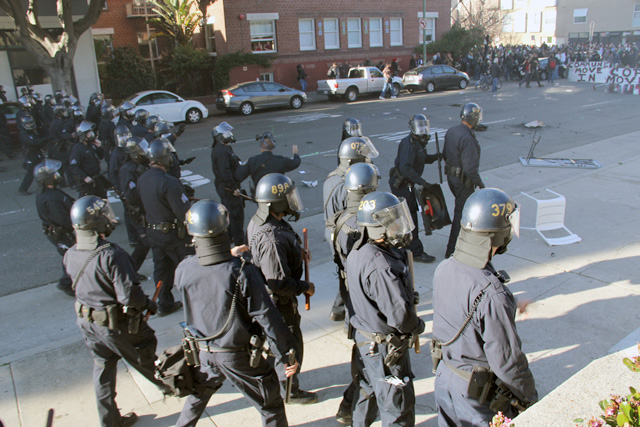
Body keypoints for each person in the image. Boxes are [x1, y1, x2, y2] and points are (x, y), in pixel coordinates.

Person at [174, 200, 299, 427]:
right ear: (224, 229)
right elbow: (267, 317)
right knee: (270, 405)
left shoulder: (184, 268)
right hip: (237, 356)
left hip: (202, 351)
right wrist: (286, 352)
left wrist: (227, 256)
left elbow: (208, 274)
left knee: (198, 396)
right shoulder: (243, 271)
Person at [432, 188, 537, 426]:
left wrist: (506, 302)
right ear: (498, 234)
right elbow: (507, 361)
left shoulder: (445, 268)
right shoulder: (492, 294)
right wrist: (530, 398)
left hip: (446, 378)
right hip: (476, 397)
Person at [64, 195, 170, 427]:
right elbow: (129, 296)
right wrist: (149, 305)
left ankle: (109, 419)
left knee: (103, 369)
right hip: (116, 325)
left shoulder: (71, 253)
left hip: (88, 323)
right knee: (145, 358)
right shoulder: (112, 254)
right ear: (96, 223)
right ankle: (173, 385)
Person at [346, 191, 425, 427]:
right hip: (384, 348)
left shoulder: (359, 252)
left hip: (365, 338)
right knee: (397, 408)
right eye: (394, 221)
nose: (399, 226)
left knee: (367, 393)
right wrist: (417, 324)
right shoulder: (382, 266)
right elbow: (401, 317)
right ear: (379, 228)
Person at [247, 173, 317, 405]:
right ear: (275, 202)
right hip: (279, 304)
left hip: (271, 299)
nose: (291, 200)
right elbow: (278, 282)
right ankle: (290, 390)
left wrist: (296, 252)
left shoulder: (261, 220)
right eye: (287, 197)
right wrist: (305, 286)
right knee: (289, 347)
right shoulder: (272, 239)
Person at [326, 163, 379, 426]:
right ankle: (350, 405)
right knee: (365, 357)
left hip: (350, 295)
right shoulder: (366, 223)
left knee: (362, 352)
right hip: (366, 301)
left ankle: (351, 403)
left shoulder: (341, 220)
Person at [323, 136, 379, 321]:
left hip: (333, 232)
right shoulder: (348, 185)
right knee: (352, 277)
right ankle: (352, 318)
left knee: (344, 273)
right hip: (346, 235)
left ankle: (338, 309)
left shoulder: (332, 178)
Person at [137, 138, 189, 317]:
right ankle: (194, 300)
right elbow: (183, 212)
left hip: (154, 233)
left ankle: (163, 302)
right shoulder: (170, 182)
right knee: (187, 267)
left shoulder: (143, 178)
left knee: (161, 270)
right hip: (173, 235)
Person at [389, 114, 440, 263]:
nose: (423, 130)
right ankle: (415, 251)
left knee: (408, 218)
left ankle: (407, 248)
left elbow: (421, 158)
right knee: (410, 219)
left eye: (424, 127)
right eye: (420, 127)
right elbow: (405, 168)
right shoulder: (408, 144)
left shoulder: (418, 144)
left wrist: (436, 157)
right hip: (402, 185)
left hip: (407, 184)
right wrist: (422, 182)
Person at [443, 103, 485, 259]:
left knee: (460, 210)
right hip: (463, 182)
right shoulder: (468, 139)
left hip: (452, 178)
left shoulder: (452, 131)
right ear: (473, 118)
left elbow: (444, 153)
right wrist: (480, 184)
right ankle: (452, 250)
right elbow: (470, 169)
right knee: (461, 214)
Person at [34, 159, 76, 296]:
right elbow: (61, 218)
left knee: (69, 255)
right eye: (54, 174)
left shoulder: (47, 193)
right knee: (70, 255)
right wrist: (74, 228)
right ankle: (66, 284)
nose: (57, 175)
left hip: (56, 231)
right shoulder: (51, 197)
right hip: (62, 233)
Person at [234, 132, 301, 198]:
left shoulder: (252, 161)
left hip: (261, 196)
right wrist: (296, 154)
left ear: (261, 146)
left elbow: (238, 176)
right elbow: (295, 163)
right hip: (279, 194)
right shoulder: (280, 160)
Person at [118, 137, 151, 272]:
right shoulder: (128, 170)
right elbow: (131, 195)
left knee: (145, 245)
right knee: (144, 243)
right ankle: (129, 271)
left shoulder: (141, 165)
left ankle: (130, 270)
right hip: (138, 212)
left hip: (145, 209)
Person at [211, 122, 245, 246]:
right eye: (226, 133)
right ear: (220, 136)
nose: (230, 135)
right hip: (228, 188)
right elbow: (225, 172)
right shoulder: (221, 152)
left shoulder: (225, 148)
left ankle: (230, 237)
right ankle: (239, 243)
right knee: (235, 215)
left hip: (227, 186)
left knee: (230, 214)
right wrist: (234, 188)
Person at [69, 121, 108, 198]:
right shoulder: (78, 149)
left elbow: (100, 156)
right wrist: (84, 177)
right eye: (89, 134)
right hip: (88, 182)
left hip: (96, 177)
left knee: (103, 198)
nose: (91, 136)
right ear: (83, 136)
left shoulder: (91, 145)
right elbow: (73, 166)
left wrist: (99, 147)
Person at [18, 114, 48, 195]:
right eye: (28, 124)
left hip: (36, 153)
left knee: (41, 168)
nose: (30, 125)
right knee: (31, 172)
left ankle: (44, 185)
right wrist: (45, 139)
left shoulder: (32, 131)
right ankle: (23, 188)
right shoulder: (24, 134)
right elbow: (33, 142)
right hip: (31, 154)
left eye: (31, 123)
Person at [48, 105, 75, 187]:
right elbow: (63, 135)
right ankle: (71, 183)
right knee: (66, 165)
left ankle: (61, 183)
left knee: (60, 166)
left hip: (56, 146)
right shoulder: (59, 123)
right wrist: (71, 135)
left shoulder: (54, 122)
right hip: (60, 146)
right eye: (63, 112)